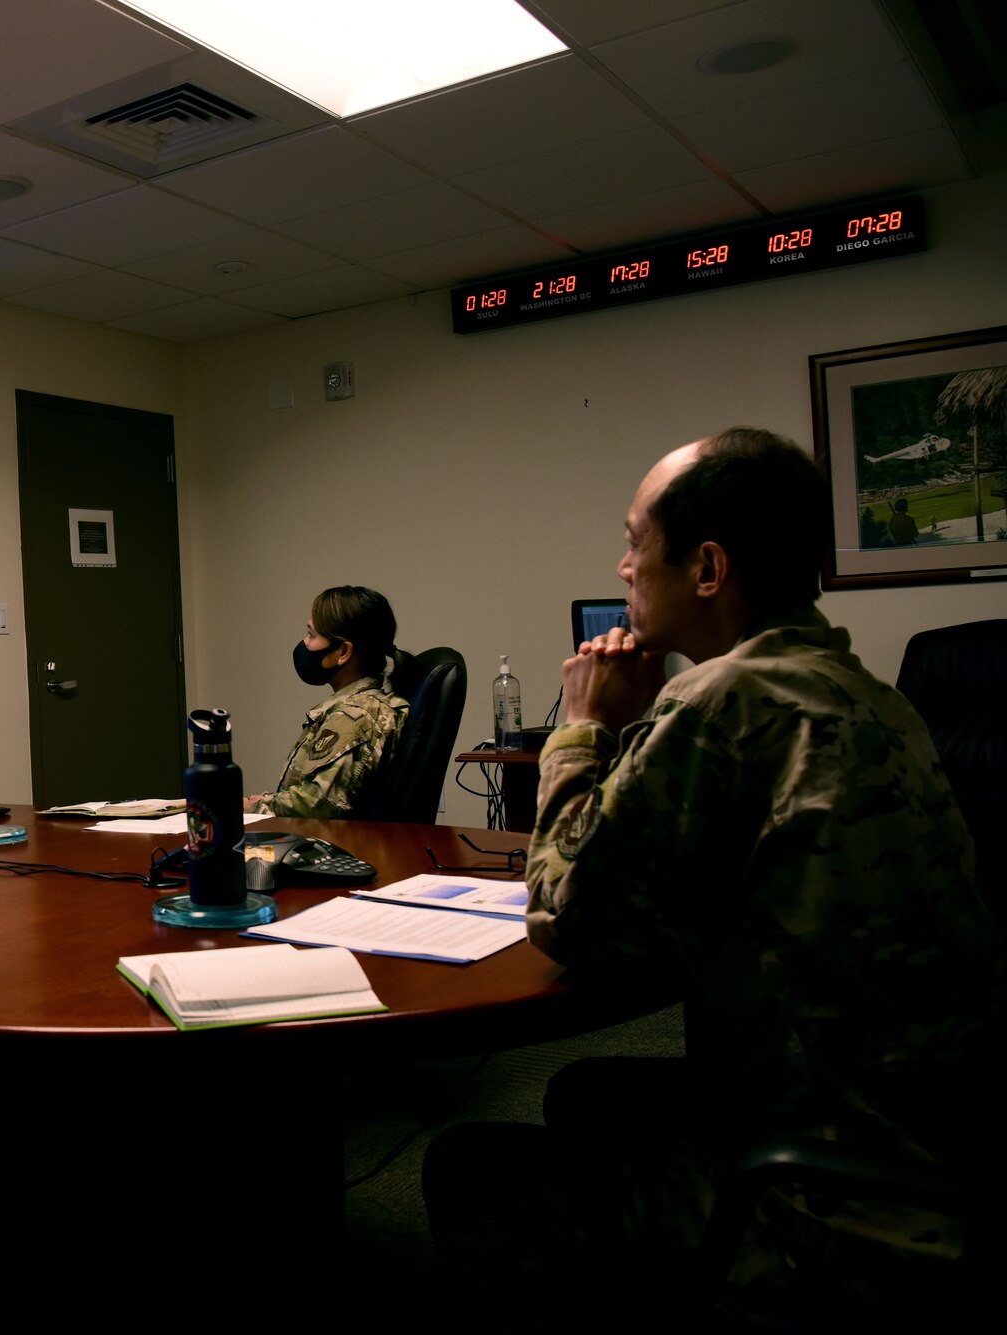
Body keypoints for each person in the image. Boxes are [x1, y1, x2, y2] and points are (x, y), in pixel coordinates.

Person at [423, 428, 995, 1321]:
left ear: (708, 568)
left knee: (467, 1164)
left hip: (829, 1204)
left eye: (634, 542)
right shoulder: (865, 689)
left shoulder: (721, 699)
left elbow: (568, 922)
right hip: (938, 1145)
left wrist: (580, 727)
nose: (620, 567)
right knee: (583, 1090)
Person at [244, 586, 408, 819]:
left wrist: (254, 807)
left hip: (326, 846)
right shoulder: (356, 708)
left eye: (312, 635)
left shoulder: (355, 717)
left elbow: (316, 804)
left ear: (343, 651)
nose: (305, 644)